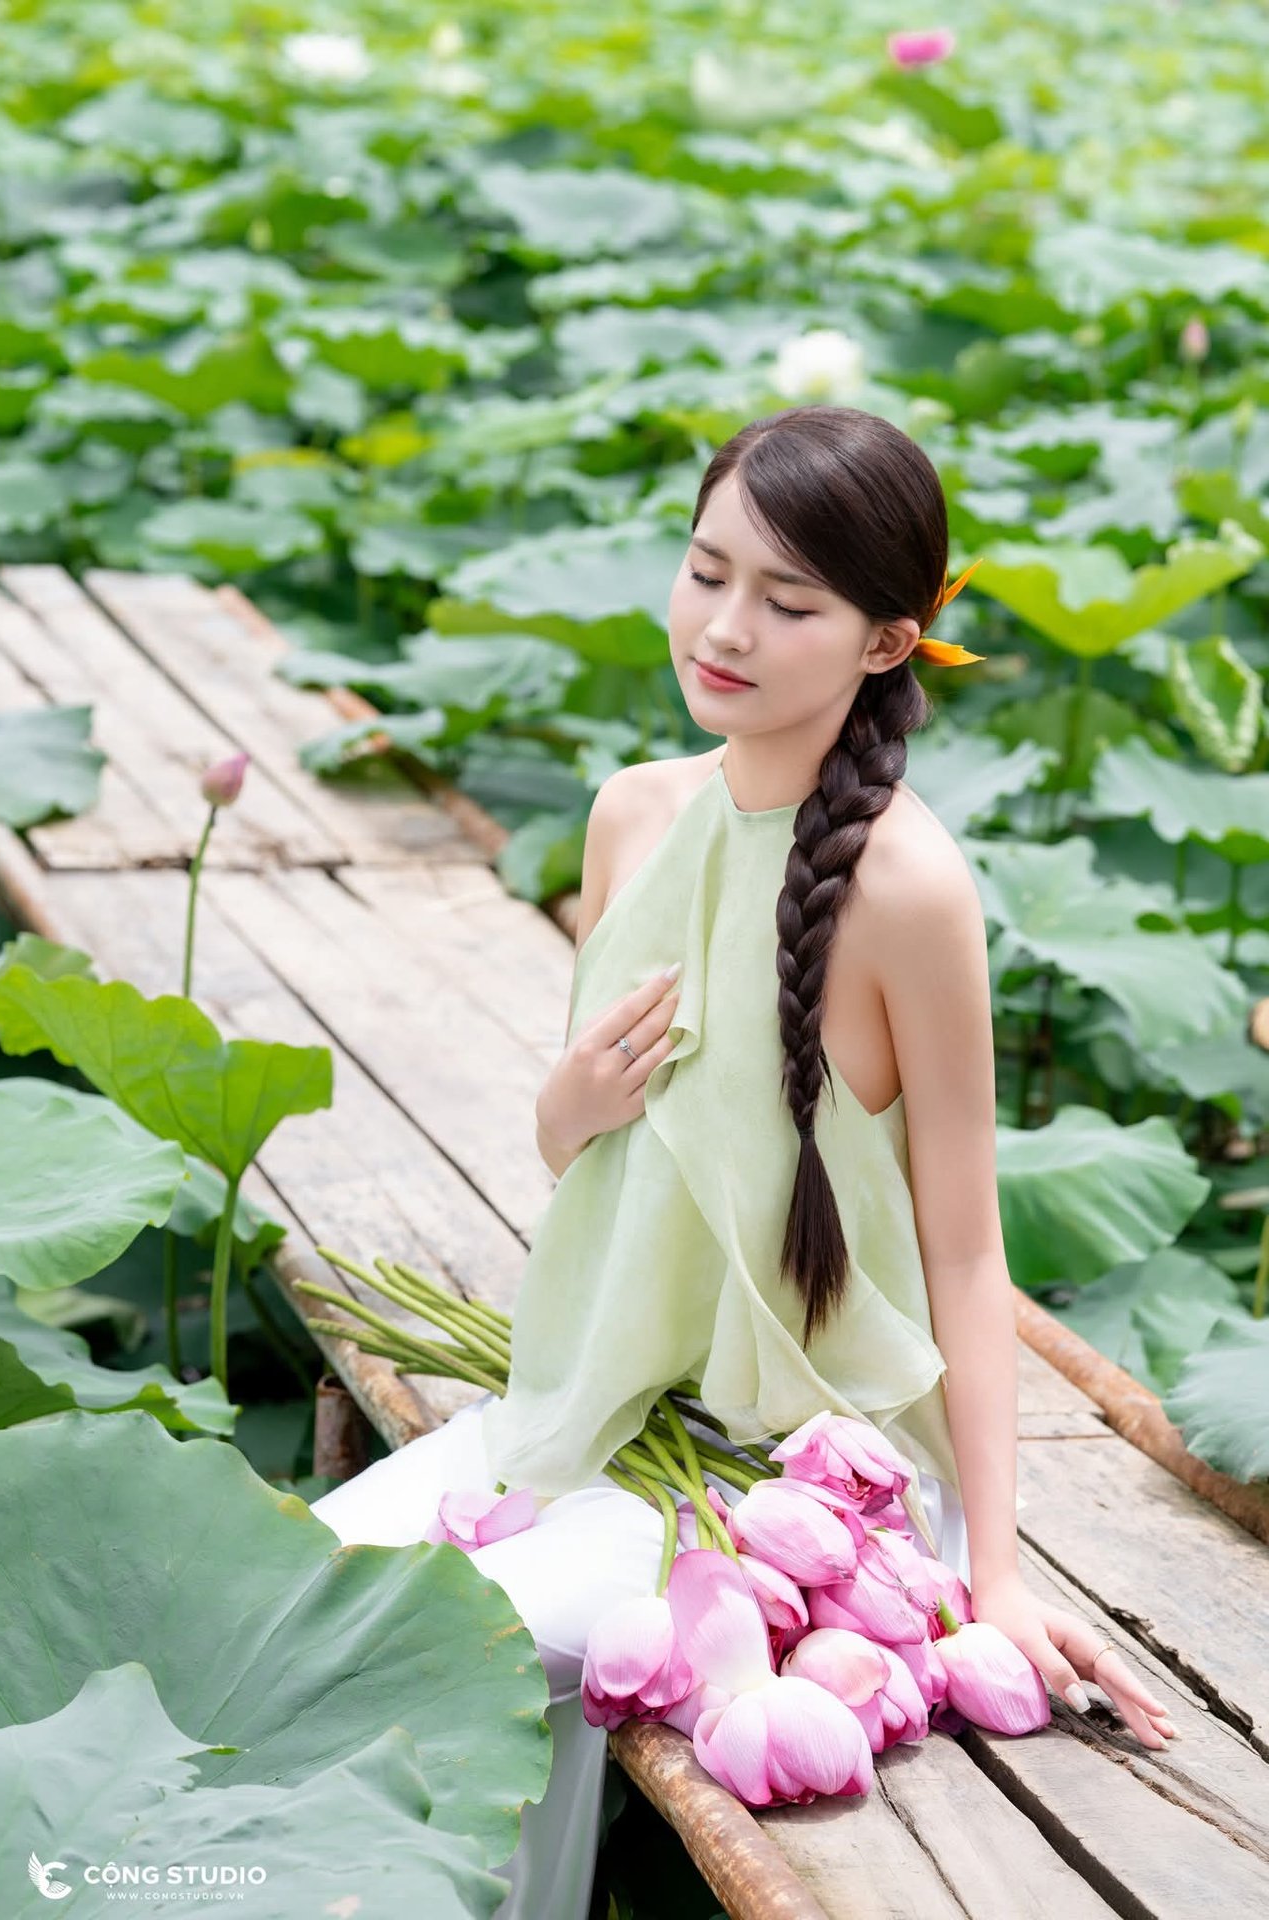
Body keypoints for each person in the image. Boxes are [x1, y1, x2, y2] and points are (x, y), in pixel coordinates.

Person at [311, 405, 1176, 1919]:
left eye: (789, 603)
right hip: (604, 1410)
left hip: (807, 1473)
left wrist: (999, 1573)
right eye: (707, 572)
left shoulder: (911, 890)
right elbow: (588, 1155)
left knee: (440, 1649)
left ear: (889, 641)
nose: (724, 629)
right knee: (299, 1594)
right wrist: (569, 1098)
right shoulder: (633, 815)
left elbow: (967, 1251)